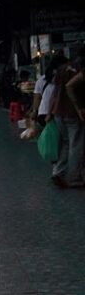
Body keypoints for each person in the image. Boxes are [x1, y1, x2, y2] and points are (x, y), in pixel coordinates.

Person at [48, 48, 84, 189]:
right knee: (76, 145)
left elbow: (55, 92)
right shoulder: (79, 70)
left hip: (58, 112)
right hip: (72, 113)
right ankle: (74, 178)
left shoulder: (61, 70)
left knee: (65, 143)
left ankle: (58, 172)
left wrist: (50, 112)